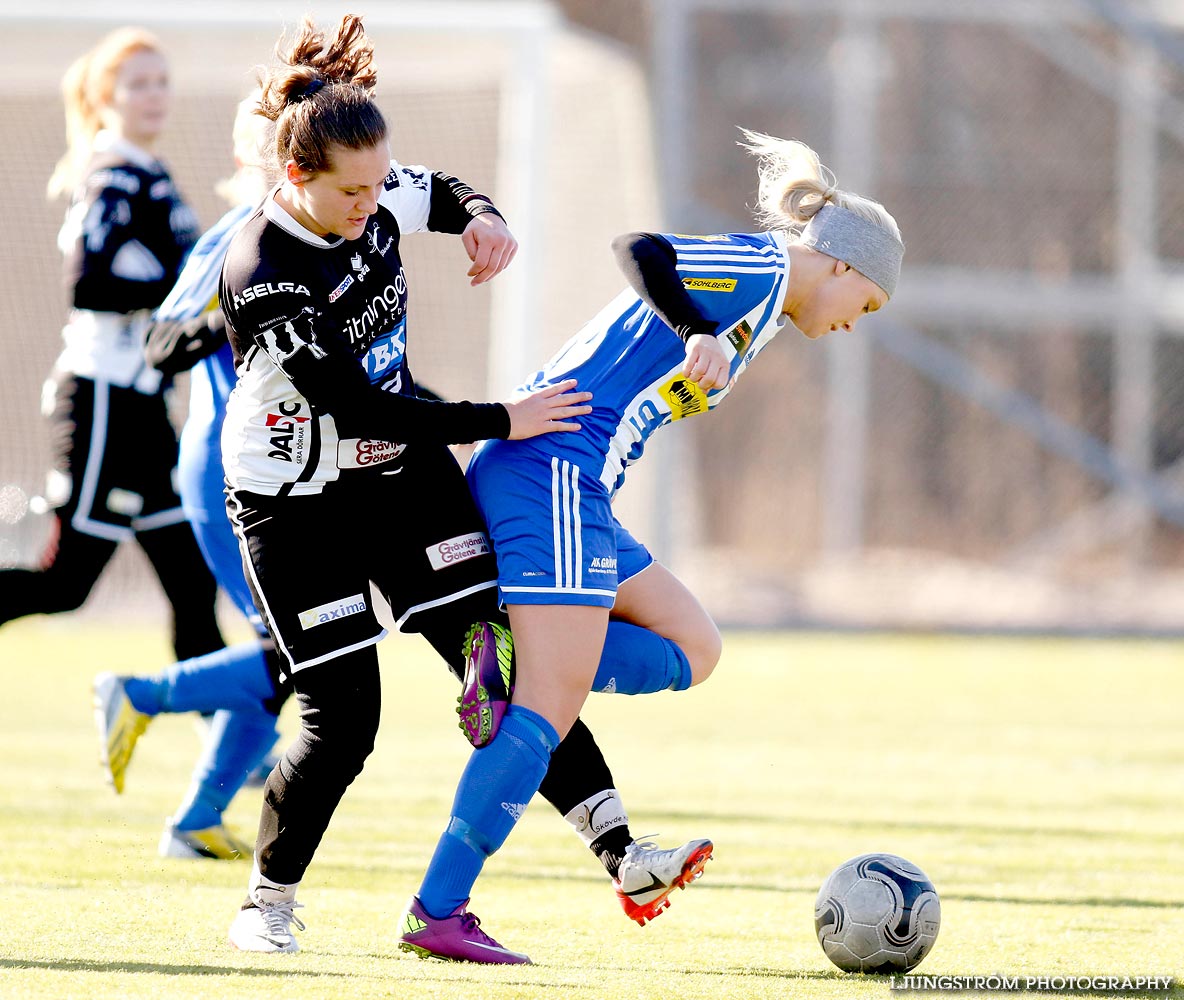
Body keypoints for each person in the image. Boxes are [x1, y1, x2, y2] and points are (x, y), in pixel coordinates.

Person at [214, 14, 710, 959]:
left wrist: (483, 218)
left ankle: (622, 850)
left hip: (402, 479)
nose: (370, 204)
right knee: (345, 719)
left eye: (375, 185)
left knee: (516, 655)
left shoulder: (376, 187)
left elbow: (439, 190)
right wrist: (502, 420)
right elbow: (355, 408)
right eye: (349, 193)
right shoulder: (264, 272)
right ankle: (266, 904)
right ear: (294, 182)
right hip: (294, 502)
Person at [398, 131, 905, 964]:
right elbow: (638, 248)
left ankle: (516, 654)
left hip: (582, 490)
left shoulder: (770, 311)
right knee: (547, 709)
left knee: (694, 646)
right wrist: (692, 324)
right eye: (868, 306)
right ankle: (437, 909)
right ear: (845, 267)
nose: (855, 325)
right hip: (548, 469)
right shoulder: (767, 270)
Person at [91, 90, 289, 860]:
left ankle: (196, 822)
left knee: (286, 655)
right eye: (280, 152)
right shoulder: (234, 236)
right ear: (250, 160)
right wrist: (243, 311)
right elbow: (162, 342)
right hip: (222, 467)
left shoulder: (318, 238)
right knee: (296, 650)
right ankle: (138, 694)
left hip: (274, 472)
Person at [0, 28, 223, 669]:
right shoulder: (113, 173)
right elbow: (88, 283)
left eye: (162, 82)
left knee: (191, 577)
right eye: (138, 83)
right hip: (103, 400)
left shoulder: (151, 172)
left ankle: (228, 747)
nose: (155, 95)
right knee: (66, 585)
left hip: (146, 408)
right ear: (106, 96)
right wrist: (189, 293)